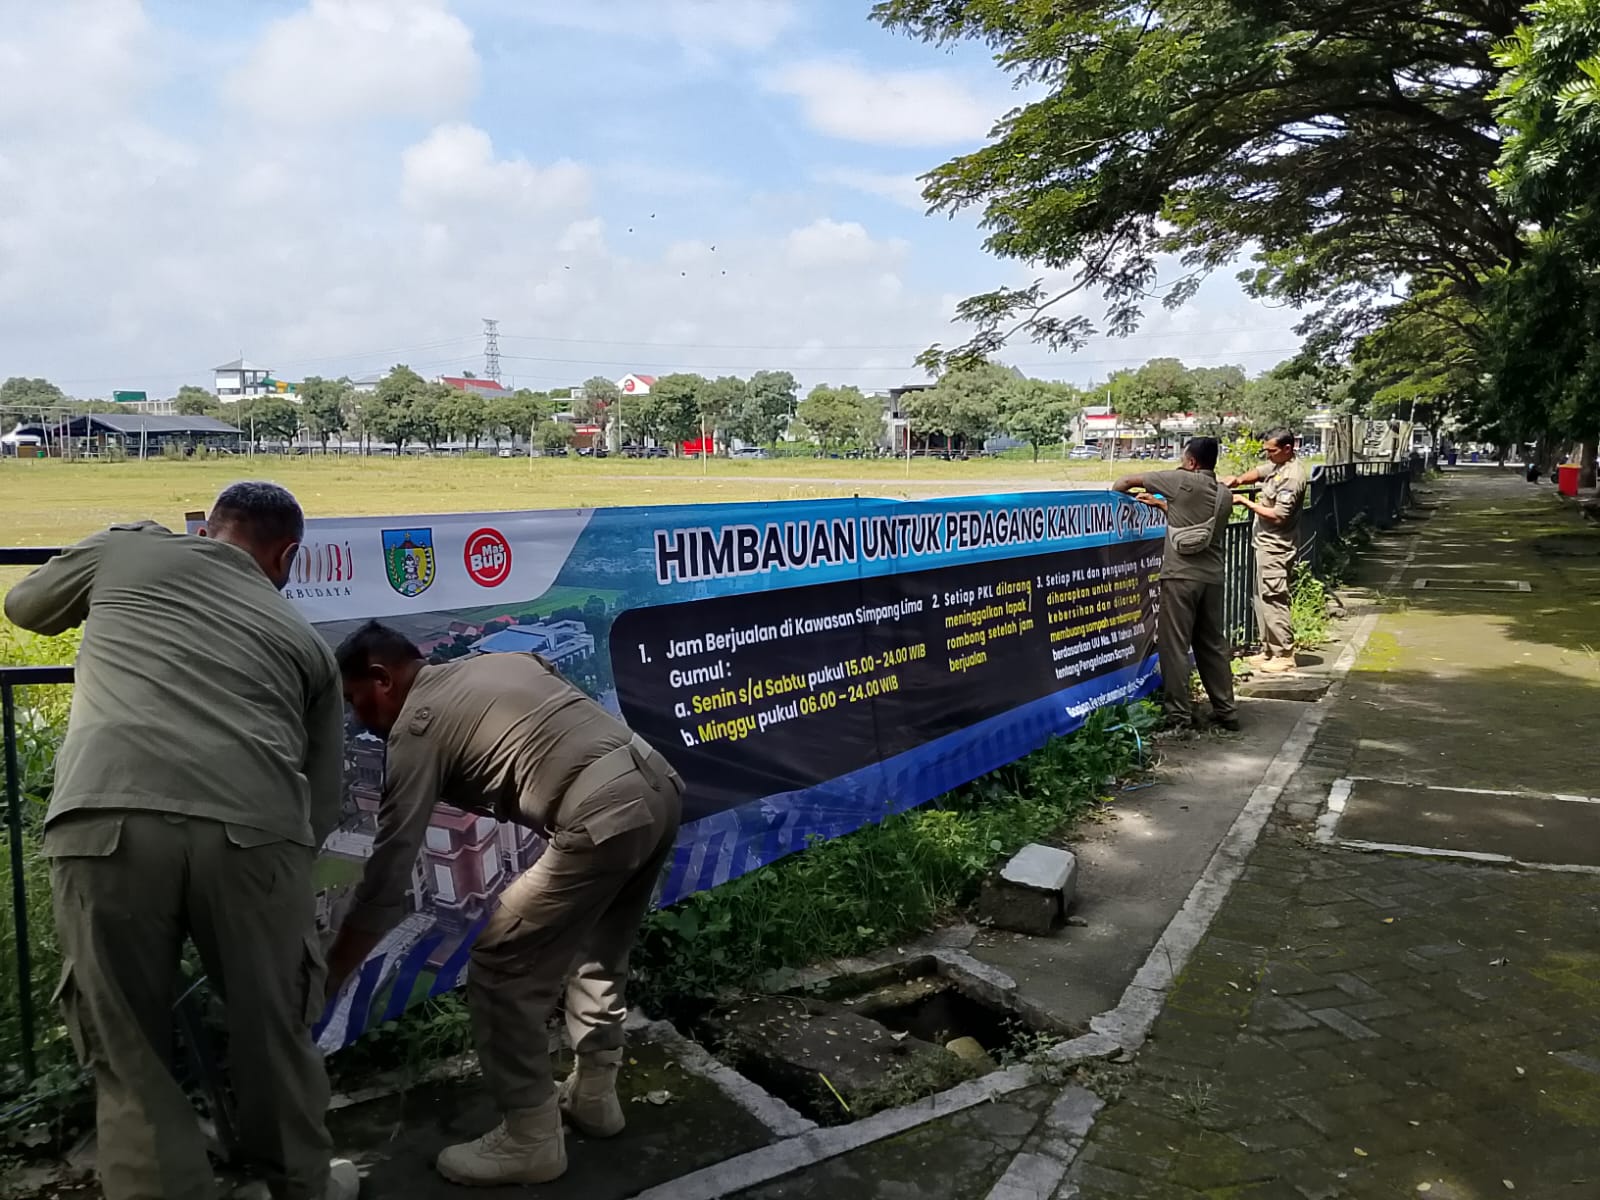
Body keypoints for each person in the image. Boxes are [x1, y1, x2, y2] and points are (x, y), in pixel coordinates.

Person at [2, 483, 357, 1200]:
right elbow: (320, 801)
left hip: (105, 818)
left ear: (210, 527)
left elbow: (25, 607)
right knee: (274, 1029)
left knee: (128, 1042)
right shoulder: (308, 647)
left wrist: (117, 534)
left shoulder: (127, 549)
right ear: (286, 554)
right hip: (255, 837)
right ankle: (301, 1184)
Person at [325, 623, 684, 1187]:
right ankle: (595, 1096)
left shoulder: (416, 727)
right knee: (599, 949)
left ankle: (531, 1137)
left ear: (382, 678)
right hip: (656, 784)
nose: (356, 718)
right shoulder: (503, 662)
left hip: (600, 812)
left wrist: (333, 974)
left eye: (354, 699)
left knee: (498, 966)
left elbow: (389, 871)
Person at [1114, 437, 1239, 732]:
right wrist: (1162, 506)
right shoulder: (1224, 495)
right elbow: (1196, 524)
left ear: (1191, 461)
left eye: (1184, 459)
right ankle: (1226, 711)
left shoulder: (1179, 480)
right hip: (1212, 578)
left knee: (1174, 646)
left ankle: (1178, 718)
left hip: (1180, 577)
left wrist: (1114, 502)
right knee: (1212, 646)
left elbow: (1126, 481)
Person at [1222, 429, 1311, 673]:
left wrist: (1244, 502)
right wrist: (1238, 480)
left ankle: (1284, 653)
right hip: (1264, 543)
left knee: (1274, 597)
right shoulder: (1277, 466)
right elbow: (1259, 472)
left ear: (1287, 449)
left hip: (1277, 545)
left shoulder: (1292, 476)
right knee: (1261, 597)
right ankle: (1268, 649)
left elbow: (1280, 515)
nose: (1268, 455)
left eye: (1272, 450)